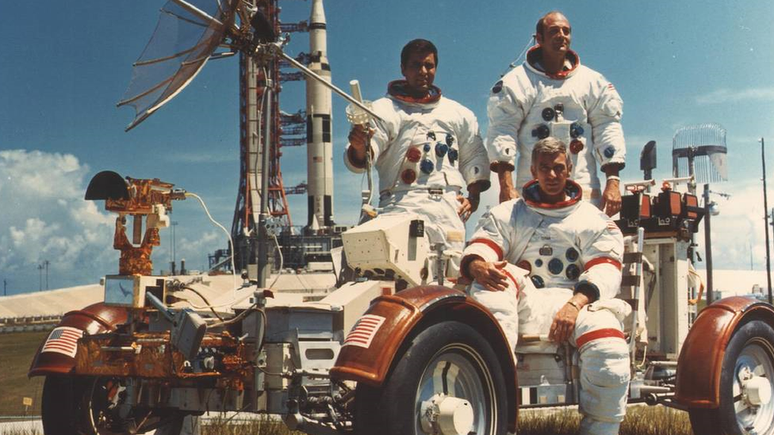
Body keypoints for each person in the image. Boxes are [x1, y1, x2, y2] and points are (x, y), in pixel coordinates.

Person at [461, 137, 630, 435]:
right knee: (494, 280)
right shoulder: (509, 213)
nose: (552, 176)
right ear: (532, 170)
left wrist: (575, 305)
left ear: (570, 169)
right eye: (544, 168)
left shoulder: (592, 218)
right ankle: (497, 414)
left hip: (576, 300)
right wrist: (477, 265)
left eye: (558, 168)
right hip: (525, 301)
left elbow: (605, 268)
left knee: (610, 349)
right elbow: (483, 247)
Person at [344, 39, 490, 278]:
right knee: (403, 280)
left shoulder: (458, 113)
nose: (423, 72)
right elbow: (368, 152)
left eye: (429, 65)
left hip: (447, 210)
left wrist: (473, 197)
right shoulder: (383, 110)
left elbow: (473, 154)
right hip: (402, 205)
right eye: (416, 65)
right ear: (403, 68)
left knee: (451, 279)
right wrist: (360, 146)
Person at [486, 11, 626, 217]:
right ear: (539, 39)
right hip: (533, 184)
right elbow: (502, 131)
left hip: (583, 183)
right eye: (554, 31)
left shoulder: (593, 82)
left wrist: (613, 182)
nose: (562, 35)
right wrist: (506, 185)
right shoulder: (517, 82)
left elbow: (607, 128)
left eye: (566, 31)